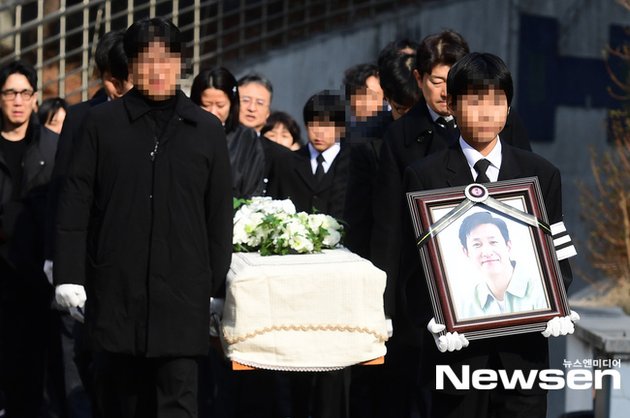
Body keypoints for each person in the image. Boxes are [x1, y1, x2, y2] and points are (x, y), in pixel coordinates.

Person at [53, 17, 233, 418]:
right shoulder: (101, 125)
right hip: (115, 295)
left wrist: (217, 287)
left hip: (183, 299)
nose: (157, 70)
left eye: (166, 59)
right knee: (120, 404)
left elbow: (218, 215)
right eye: (146, 60)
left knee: (178, 405)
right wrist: (69, 274)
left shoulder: (205, 129)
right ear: (131, 66)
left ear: (180, 63)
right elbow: (76, 201)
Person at [399, 52, 577, 418]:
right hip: (457, 357)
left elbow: (556, 250)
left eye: (496, 101)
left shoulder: (541, 174)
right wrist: (433, 319)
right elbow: (413, 267)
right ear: (451, 104)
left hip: (524, 357)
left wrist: (555, 303)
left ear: (509, 107)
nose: (485, 112)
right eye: (473, 101)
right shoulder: (424, 176)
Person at [44, 29, 133, 418]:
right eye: (114, 79)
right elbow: (63, 192)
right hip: (88, 262)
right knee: (82, 359)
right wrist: (58, 259)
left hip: (132, 264)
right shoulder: (81, 117)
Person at [0, 60, 62, 418]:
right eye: (10, 92)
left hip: (37, 278)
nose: (18, 100)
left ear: (36, 98)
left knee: (34, 378)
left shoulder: (53, 148)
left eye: (25, 93)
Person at [191, 67, 266, 198]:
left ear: (232, 104)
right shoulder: (183, 134)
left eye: (220, 105)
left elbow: (253, 189)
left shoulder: (246, 139)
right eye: (206, 105)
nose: (213, 112)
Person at [456, 211, 547, 319]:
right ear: (466, 252)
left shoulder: (542, 291)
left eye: (493, 242)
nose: (487, 252)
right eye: (477, 244)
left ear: (508, 245)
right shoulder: (464, 306)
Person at [342, 63, 391, 142]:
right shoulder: (338, 135)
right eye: (361, 95)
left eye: (374, 95)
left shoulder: (392, 131)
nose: (367, 102)